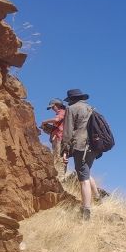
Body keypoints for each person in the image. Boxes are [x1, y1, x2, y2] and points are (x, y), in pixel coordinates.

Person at [61, 88, 101, 220]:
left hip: (80, 146)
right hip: (94, 146)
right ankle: (98, 198)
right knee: (86, 171)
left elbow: (67, 132)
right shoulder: (91, 108)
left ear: (71, 99)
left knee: (83, 179)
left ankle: (86, 211)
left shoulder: (71, 109)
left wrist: (65, 150)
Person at [40, 98, 66, 175]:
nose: (52, 109)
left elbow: (57, 119)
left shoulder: (62, 112)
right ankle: (59, 175)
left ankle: (60, 175)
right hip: (57, 138)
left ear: (57, 105)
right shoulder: (62, 112)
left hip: (59, 138)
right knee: (56, 157)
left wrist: (45, 122)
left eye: (53, 107)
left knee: (59, 157)